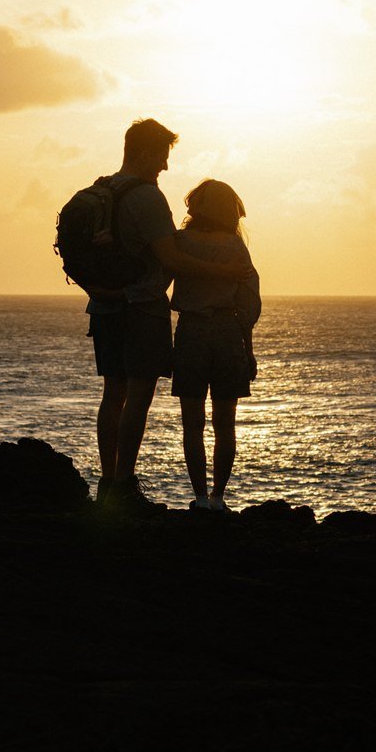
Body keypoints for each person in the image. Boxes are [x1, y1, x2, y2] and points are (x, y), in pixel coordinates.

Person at [86, 119, 251, 513]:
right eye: (162, 156)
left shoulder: (101, 189)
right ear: (144, 152)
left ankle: (108, 484)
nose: (164, 166)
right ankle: (123, 486)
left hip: (106, 306)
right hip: (141, 308)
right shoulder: (147, 198)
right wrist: (224, 272)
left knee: (113, 395)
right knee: (139, 395)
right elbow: (172, 259)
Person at [168, 179, 261, 513]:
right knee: (226, 422)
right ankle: (219, 497)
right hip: (227, 332)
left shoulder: (181, 242)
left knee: (192, 423)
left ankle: (201, 497)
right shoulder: (236, 248)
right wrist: (248, 350)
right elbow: (247, 307)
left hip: (191, 331)